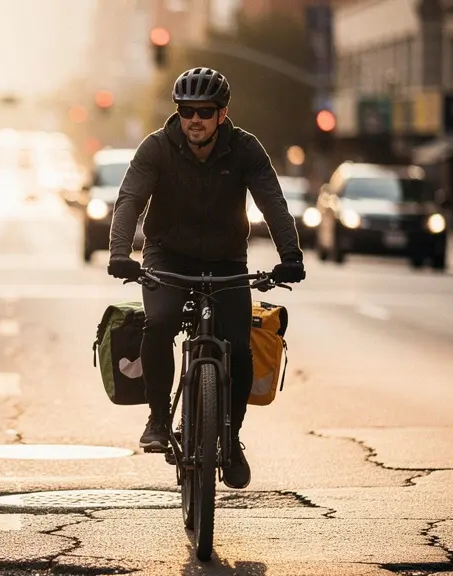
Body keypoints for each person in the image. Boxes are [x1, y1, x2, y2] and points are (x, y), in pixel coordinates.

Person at [106, 67, 306, 490]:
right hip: (167, 254)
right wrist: (120, 253)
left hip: (226, 259)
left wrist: (290, 255)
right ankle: (158, 419)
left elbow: (272, 201)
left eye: (204, 111)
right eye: (186, 111)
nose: (194, 119)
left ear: (222, 114)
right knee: (160, 322)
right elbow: (129, 201)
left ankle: (230, 438)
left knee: (239, 345)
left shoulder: (246, 149)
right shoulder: (157, 148)